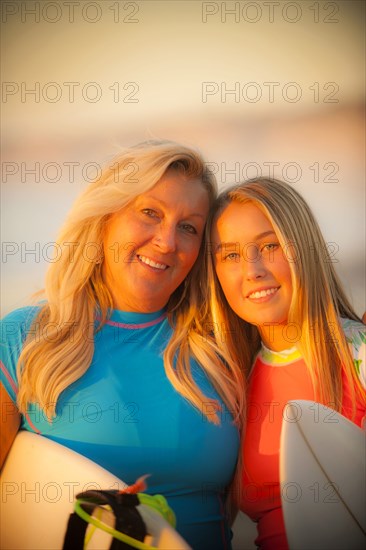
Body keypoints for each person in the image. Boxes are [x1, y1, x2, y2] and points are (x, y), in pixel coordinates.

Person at [0, 140, 245, 550]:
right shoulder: (25, 338)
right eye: (150, 213)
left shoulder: (222, 342)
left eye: (189, 227)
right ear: (105, 219)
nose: (167, 242)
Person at [203, 177, 365, 549]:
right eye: (230, 255)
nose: (252, 269)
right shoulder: (229, 384)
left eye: (270, 245)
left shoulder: (356, 353)